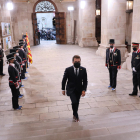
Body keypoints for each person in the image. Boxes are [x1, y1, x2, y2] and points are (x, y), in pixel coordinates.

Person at [62, 55, 88, 122]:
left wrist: (84, 90)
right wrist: (63, 89)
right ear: (72, 62)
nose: (77, 63)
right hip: (71, 89)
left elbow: (85, 81)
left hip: (79, 89)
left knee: (77, 102)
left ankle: (74, 113)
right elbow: (64, 80)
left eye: (78, 61)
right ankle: (76, 115)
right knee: (74, 102)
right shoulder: (68, 69)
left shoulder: (83, 69)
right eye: (76, 61)